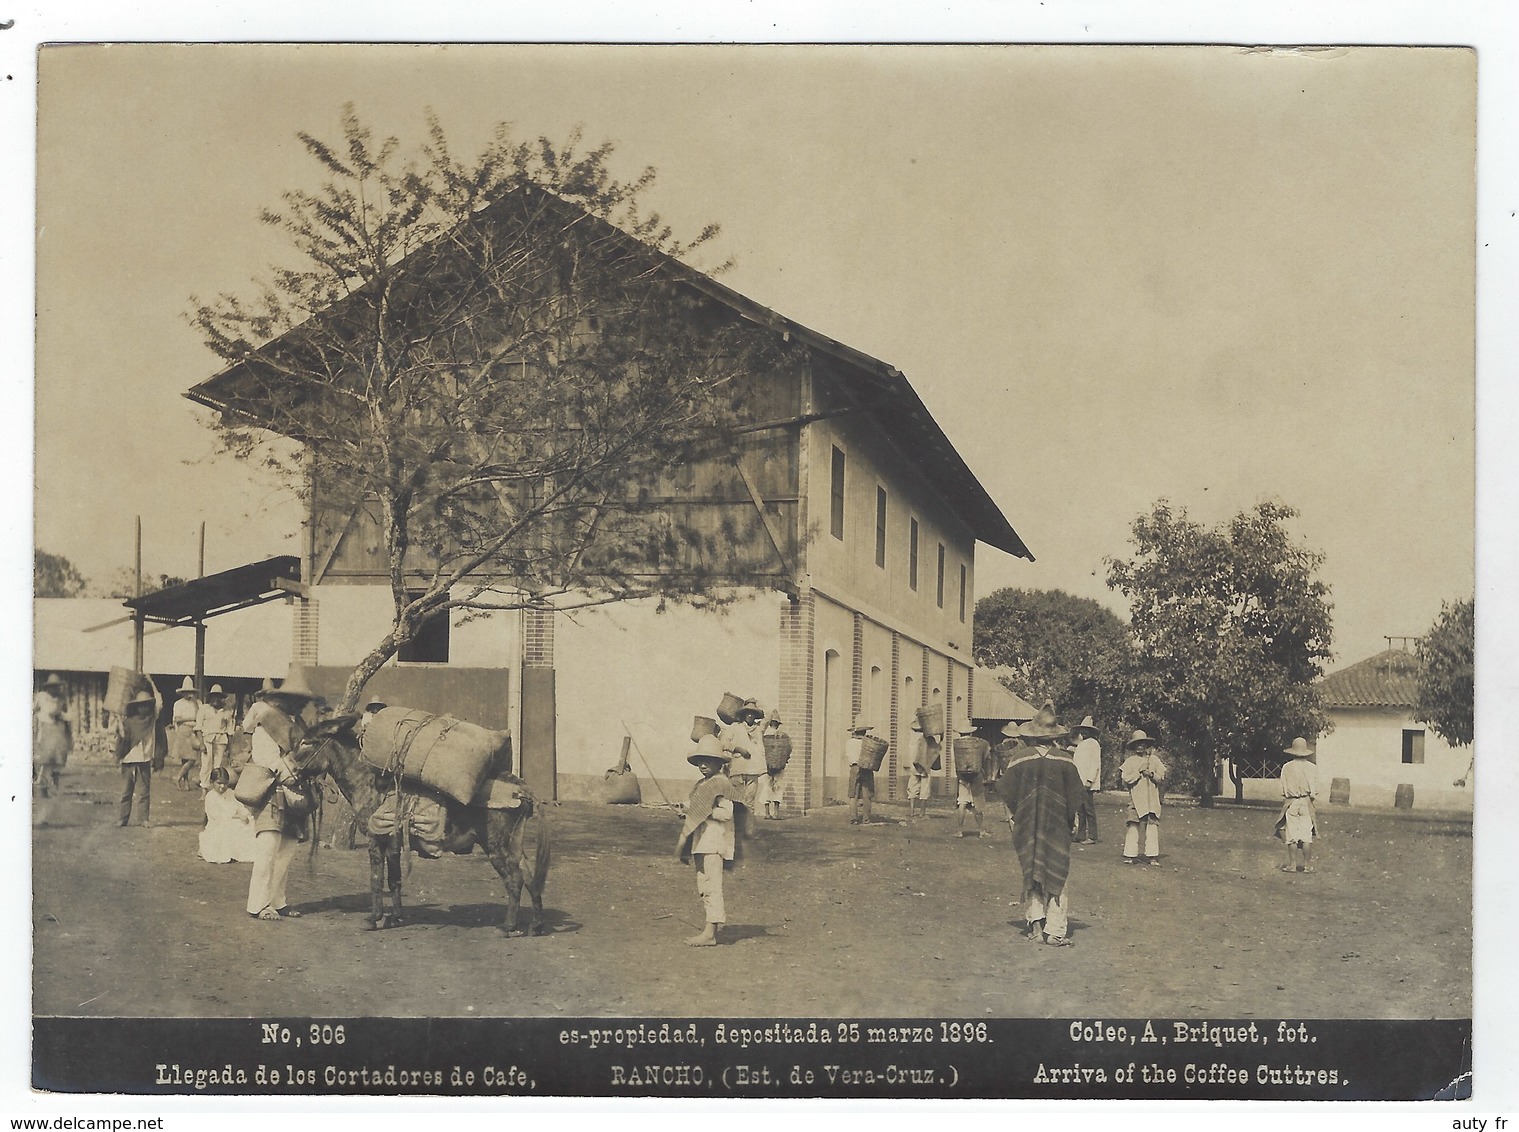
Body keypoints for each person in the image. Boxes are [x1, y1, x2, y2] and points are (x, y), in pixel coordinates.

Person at [995, 702, 1086, 947]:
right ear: (1055, 735)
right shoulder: (1064, 760)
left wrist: (1018, 814)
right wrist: (1071, 819)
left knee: (1032, 871)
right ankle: (1055, 931)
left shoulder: (1020, 758)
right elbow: (1076, 795)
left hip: (1027, 823)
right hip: (1056, 825)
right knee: (1057, 871)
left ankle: (1036, 927)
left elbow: (1006, 789)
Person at [245, 665, 321, 922]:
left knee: (286, 850)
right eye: (295, 700)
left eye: (302, 702)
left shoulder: (297, 723)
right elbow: (265, 756)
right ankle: (258, 904)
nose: (299, 706)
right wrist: (289, 774)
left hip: (295, 792)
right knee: (267, 849)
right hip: (272, 790)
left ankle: (278, 901)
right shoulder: (266, 721)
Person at [676, 734, 739, 946]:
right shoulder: (702, 783)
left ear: (718, 763)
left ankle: (710, 933)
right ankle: (709, 927)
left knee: (712, 884)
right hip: (701, 841)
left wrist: (704, 811)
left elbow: (726, 813)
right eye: (700, 761)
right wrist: (684, 809)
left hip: (714, 842)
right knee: (703, 883)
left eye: (708, 761)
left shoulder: (721, 784)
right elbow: (693, 804)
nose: (703, 765)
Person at [115, 688, 163, 827]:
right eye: (141, 705)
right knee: (126, 791)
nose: (144, 708)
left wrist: (152, 683)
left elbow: (160, 703)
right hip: (129, 759)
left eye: (147, 704)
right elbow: (122, 738)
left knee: (144, 792)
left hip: (145, 759)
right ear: (136, 706)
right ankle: (123, 818)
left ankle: (144, 819)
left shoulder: (152, 720)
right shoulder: (129, 721)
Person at [1119, 730, 1169, 866]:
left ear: (1146, 745)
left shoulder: (1154, 760)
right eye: (1136, 744)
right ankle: (1130, 854)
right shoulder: (1130, 762)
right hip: (1136, 798)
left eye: (1142, 744)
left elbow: (1162, 777)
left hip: (1151, 800)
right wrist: (1139, 772)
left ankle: (1152, 855)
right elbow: (1126, 779)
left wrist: (1151, 774)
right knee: (1133, 825)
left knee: (1152, 826)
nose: (1140, 747)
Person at [1275, 737, 1319, 873]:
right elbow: (1314, 790)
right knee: (1306, 835)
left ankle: (1292, 865)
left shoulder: (1287, 767)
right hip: (1305, 802)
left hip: (1292, 802)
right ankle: (1307, 866)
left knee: (1291, 835)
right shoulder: (1312, 768)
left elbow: (1283, 789)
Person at [719, 698, 766, 822]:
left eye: (753, 713)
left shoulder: (758, 729)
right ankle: (736, 827)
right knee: (737, 800)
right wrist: (737, 749)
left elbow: (770, 715)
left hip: (753, 769)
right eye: (747, 713)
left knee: (750, 801)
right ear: (743, 715)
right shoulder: (735, 727)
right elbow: (723, 743)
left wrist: (756, 703)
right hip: (737, 768)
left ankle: (748, 829)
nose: (750, 715)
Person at [199, 766, 256, 864]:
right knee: (230, 826)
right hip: (217, 827)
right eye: (219, 783)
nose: (222, 786)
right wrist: (237, 817)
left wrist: (245, 815)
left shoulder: (231, 793)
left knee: (250, 822)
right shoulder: (210, 797)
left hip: (233, 822)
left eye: (225, 783)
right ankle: (229, 852)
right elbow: (216, 817)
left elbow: (240, 807)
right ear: (212, 783)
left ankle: (240, 852)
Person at [33, 673, 74, 798]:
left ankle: (54, 786)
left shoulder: (61, 699)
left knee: (56, 760)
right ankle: (42, 786)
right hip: (44, 728)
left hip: (57, 729)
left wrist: (63, 718)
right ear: (48, 687)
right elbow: (35, 710)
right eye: (52, 687)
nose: (54, 689)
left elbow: (68, 715)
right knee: (44, 759)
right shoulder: (42, 697)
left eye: (56, 687)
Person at [952, 720, 991, 838]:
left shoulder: (955, 744)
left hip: (962, 776)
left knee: (962, 802)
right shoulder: (978, 744)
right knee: (978, 802)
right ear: (970, 733)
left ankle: (959, 831)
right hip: (976, 775)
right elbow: (987, 755)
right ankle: (981, 831)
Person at [195, 684, 235, 793]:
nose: (216, 699)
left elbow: (230, 731)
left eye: (218, 697)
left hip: (221, 739)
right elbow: (198, 727)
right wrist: (201, 743)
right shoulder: (204, 709)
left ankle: (216, 790)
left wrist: (230, 748)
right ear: (210, 697)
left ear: (222, 698)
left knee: (218, 765)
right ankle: (204, 790)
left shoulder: (227, 711)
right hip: (207, 739)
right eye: (214, 696)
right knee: (206, 764)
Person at [1070, 716, 1102, 845]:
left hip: (1087, 781)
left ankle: (1093, 836)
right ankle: (1081, 834)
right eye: (1082, 731)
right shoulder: (1081, 745)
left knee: (1089, 809)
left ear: (1091, 732)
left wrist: (1090, 779)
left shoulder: (1093, 744)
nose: (1083, 733)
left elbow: (1095, 763)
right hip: (1079, 780)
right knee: (1080, 809)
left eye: (1086, 731)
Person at [169, 677, 203, 791]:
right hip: (183, 730)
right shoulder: (178, 704)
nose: (188, 694)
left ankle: (177, 777)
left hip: (194, 731)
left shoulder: (198, 703)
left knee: (192, 758)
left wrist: (195, 706)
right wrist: (192, 718)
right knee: (186, 758)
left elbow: (201, 717)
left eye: (190, 692)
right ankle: (185, 782)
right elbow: (177, 719)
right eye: (186, 692)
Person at [906, 715, 941, 820]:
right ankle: (922, 812)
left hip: (914, 766)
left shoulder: (912, 737)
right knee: (924, 789)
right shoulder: (928, 738)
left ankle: (912, 811)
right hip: (925, 766)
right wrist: (941, 738)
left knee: (912, 788)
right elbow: (935, 749)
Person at [756, 711, 788, 820]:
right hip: (777, 765)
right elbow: (789, 749)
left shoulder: (764, 735)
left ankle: (767, 813)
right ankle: (776, 813)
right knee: (777, 788)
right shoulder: (783, 735)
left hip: (767, 765)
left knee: (767, 787)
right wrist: (784, 760)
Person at [845, 718, 876, 825]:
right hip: (866, 768)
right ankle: (866, 819)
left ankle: (854, 818)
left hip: (854, 767)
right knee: (867, 795)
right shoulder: (869, 743)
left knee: (853, 794)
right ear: (865, 731)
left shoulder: (849, 743)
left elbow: (848, 756)